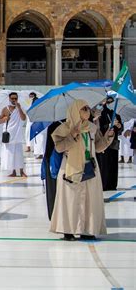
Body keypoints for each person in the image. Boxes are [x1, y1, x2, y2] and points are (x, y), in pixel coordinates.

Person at [51, 99, 115, 241]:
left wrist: (108, 137)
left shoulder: (91, 128)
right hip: (71, 168)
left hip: (90, 167)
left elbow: (98, 147)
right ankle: (68, 230)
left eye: (87, 108)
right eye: (84, 109)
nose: (87, 111)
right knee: (69, 200)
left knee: (89, 199)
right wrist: (72, 135)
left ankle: (88, 230)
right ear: (76, 111)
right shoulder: (64, 128)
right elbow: (59, 147)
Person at [94, 96, 122, 191]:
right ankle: (103, 184)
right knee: (104, 164)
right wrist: (109, 126)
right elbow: (99, 128)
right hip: (103, 142)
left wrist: (118, 125)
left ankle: (112, 184)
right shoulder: (99, 114)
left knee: (113, 164)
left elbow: (120, 129)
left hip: (113, 143)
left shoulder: (115, 115)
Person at [0, 92, 27, 177]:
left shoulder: (20, 108)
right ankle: (13, 171)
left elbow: (23, 118)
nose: (14, 100)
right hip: (9, 134)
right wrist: (5, 118)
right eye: (12, 98)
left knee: (19, 154)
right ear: (9, 99)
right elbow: (0, 121)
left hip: (17, 133)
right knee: (11, 154)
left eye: (16, 98)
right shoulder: (5, 109)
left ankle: (22, 171)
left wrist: (19, 108)